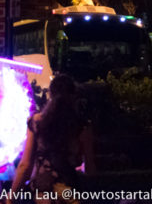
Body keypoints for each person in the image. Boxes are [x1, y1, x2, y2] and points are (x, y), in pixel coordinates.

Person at [8, 74, 96, 204]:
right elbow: (90, 170)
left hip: (42, 191)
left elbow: (25, 166)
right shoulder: (82, 127)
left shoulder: (36, 123)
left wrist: (10, 198)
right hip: (68, 191)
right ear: (74, 96)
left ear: (50, 94)